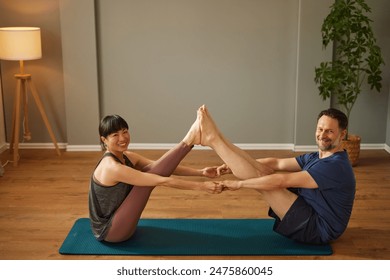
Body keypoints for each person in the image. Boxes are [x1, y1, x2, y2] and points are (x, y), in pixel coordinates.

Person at [198, 105, 356, 244]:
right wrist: (231, 167)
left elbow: (282, 180)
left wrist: (239, 184)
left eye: (329, 131)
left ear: (342, 135)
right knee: (260, 170)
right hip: (309, 210)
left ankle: (214, 139)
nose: (322, 135)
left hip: (318, 228)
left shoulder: (335, 166)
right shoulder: (317, 156)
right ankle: (216, 136)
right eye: (320, 129)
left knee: (262, 178)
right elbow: (276, 163)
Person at [89, 110, 223, 243]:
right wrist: (202, 186)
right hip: (111, 232)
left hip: (123, 223)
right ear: (104, 139)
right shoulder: (112, 167)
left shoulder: (128, 157)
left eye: (124, 131)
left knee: (151, 170)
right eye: (115, 135)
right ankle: (188, 141)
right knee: (146, 182)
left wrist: (201, 172)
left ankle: (189, 140)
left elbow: (162, 166)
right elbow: (162, 180)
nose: (122, 138)